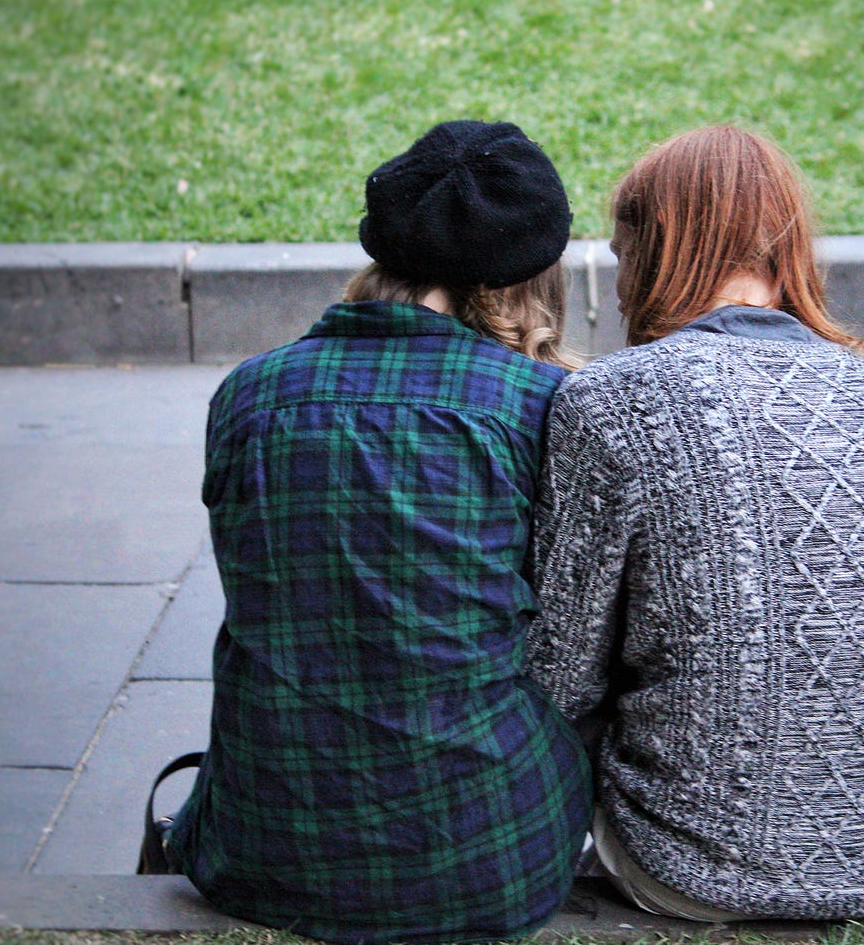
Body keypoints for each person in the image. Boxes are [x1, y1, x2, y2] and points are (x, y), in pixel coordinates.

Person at [526, 125, 864, 922]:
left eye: (623, 258)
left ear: (663, 250)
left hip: (682, 866)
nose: (622, 290)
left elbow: (562, 673)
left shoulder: (612, 399)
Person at [162, 120, 593, 944]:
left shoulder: (249, 396)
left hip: (262, 845)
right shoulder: (541, 408)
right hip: (488, 857)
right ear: (533, 279)